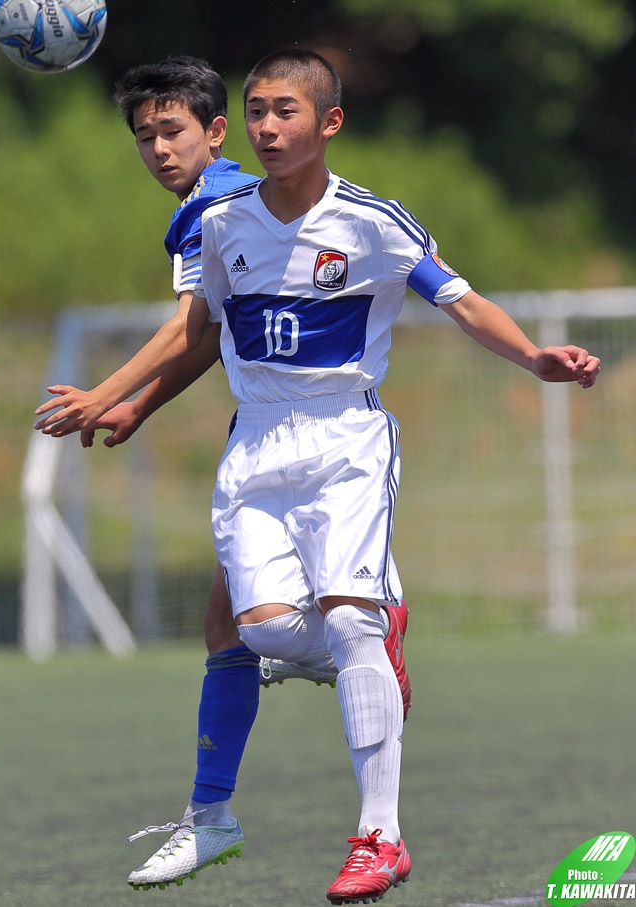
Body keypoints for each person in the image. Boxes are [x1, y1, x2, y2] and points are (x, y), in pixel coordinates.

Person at [34, 49, 600, 904]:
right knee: (258, 632)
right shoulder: (223, 221)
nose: (267, 128)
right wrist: (138, 404)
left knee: (347, 617)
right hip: (257, 442)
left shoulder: (370, 221)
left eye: (283, 112)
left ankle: (379, 835)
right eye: (258, 112)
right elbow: (201, 328)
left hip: (345, 438)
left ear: (328, 122)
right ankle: (360, 647)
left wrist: (533, 357)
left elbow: (460, 298)